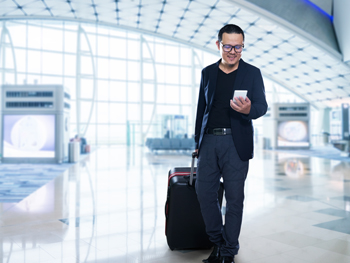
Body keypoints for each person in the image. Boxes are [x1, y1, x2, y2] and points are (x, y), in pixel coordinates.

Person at [194, 24, 268, 263]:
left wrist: (248, 110)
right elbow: (201, 109)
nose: (233, 51)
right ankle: (218, 241)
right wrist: (198, 142)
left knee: (235, 198)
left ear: (242, 46)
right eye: (228, 46)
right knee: (204, 192)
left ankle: (228, 251)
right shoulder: (207, 73)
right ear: (219, 45)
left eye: (238, 46)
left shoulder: (252, 73)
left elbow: (262, 106)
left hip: (236, 143)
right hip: (209, 141)